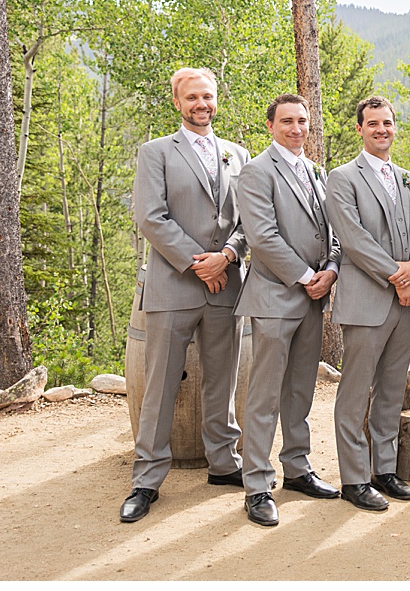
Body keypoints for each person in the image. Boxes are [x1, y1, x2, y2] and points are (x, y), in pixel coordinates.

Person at [120, 67, 250, 524]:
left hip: (226, 286)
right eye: (193, 96)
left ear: (217, 100)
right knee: (160, 385)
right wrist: (201, 265)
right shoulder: (155, 152)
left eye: (208, 96)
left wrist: (228, 257)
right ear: (178, 102)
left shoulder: (237, 153)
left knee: (223, 380)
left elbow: (248, 220)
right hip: (174, 285)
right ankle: (147, 479)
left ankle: (224, 463)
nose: (202, 104)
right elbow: (151, 217)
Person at [234, 94, 342, 526]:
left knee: (300, 390)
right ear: (270, 125)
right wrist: (304, 276)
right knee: (264, 394)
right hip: (277, 297)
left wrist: (331, 269)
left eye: (302, 121)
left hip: (315, 297)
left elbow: (331, 230)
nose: (296, 128)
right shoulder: (257, 172)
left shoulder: (317, 172)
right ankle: (257, 484)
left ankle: (297, 468)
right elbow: (260, 236)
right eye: (287, 122)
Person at [325, 96, 410, 513]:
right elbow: (353, 240)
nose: (381, 129)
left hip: (405, 302)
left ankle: (383, 470)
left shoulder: (407, 178)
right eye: (373, 123)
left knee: (390, 390)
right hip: (369, 300)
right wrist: (397, 276)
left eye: (387, 122)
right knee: (355, 391)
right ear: (360, 129)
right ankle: (353, 478)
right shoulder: (343, 177)